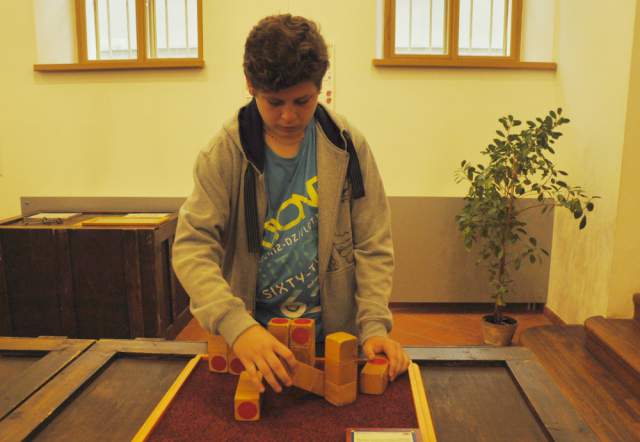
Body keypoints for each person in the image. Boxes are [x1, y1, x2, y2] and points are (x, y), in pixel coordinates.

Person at [172, 14, 410, 394]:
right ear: (250, 85)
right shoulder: (223, 154)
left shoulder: (348, 146)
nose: (288, 116)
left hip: (333, 339)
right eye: (274, 102)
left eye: (302, 101)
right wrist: (237, 327)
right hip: (253, 342)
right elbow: (192, 248)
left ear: (320, 86)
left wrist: (374, 326)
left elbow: (373, 244)